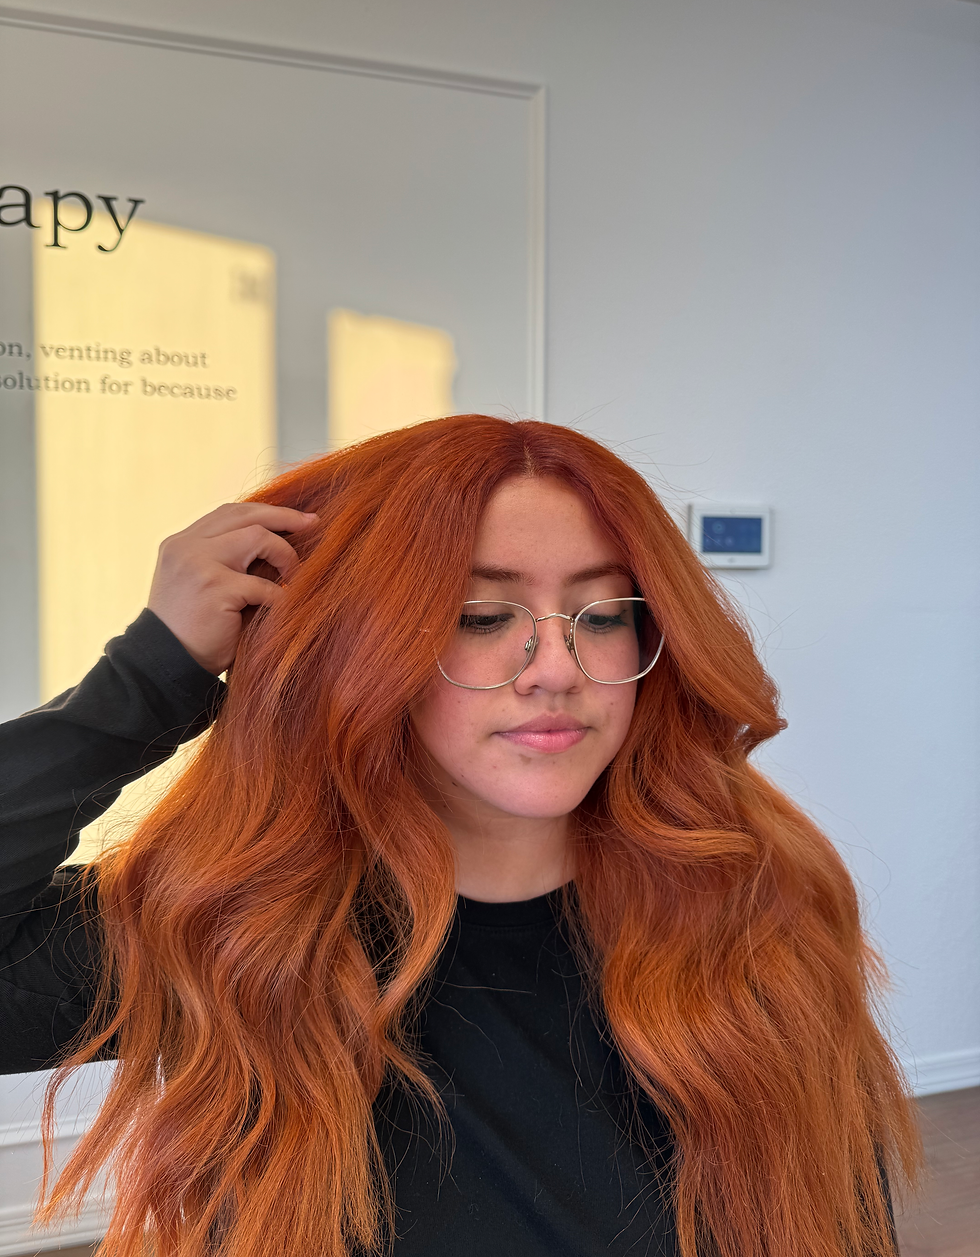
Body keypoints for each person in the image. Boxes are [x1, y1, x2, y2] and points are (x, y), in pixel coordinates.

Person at [0, 415, 921, 1257]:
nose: (557, 668)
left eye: (603, 615)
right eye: (482, 617)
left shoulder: (756, 911)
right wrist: (147, 679)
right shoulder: (234, 929)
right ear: (362, 645)